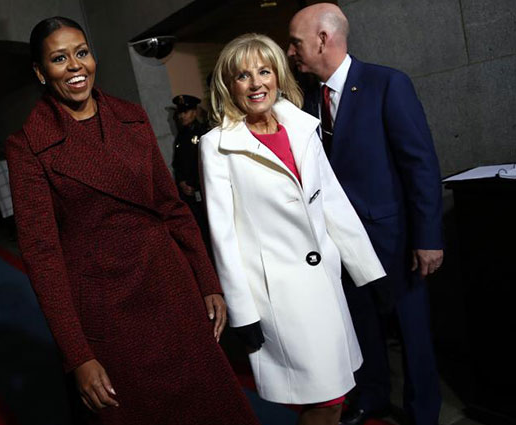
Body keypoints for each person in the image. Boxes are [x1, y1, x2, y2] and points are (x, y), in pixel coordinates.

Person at [5, 16, 258, 425]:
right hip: (108, 313)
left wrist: (206, 280)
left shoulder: (132, 117)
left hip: (171, 288)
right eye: (59, 58)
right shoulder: (28, 146)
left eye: (81, 53)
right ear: (40, 72)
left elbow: (172, 207)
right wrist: (78, 355)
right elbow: (42, 256)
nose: (75, 66)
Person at [201, 33, 385, 425]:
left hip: (325, 286)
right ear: (229, 85)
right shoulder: (217, 145)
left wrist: (368, 272)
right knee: (323, 400)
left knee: (337, 395)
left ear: (278, 75)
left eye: (264, 71)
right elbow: (223, 236)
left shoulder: (301, 126)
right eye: (243, 76)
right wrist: (243, 312)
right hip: (278, 299)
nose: (256, 83)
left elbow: (331, 201)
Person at [287, 5, 444, 425]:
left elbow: (420, 166)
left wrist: (428, 238)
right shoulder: (306, 101)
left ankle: (423, 413)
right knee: (361, 327)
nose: (290, 52)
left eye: (296, 42)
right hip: (339, 243)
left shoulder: (387, 84)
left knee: (412, 333)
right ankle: (372, 396)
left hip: (394, 241)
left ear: (323, 39)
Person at [171, 94, 211, 248]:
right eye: (180, 113)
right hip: (188, 194)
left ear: (194, 112)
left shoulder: (203, 133)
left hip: (202, 190)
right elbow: (177, 164)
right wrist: (181, 182)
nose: (182, 116)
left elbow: (205, 163)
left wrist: (194, 184)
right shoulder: (180, 137)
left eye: (186, 112)